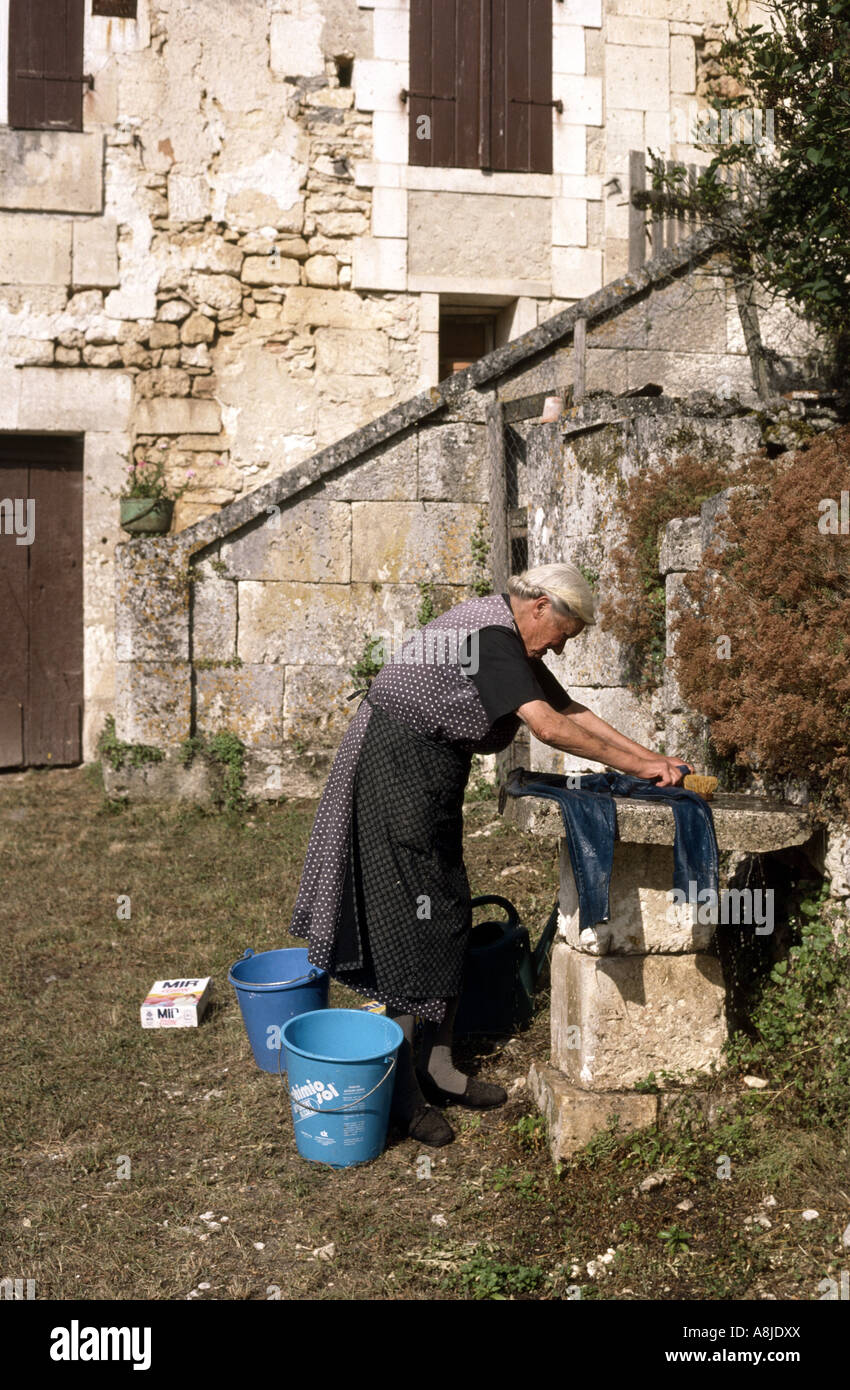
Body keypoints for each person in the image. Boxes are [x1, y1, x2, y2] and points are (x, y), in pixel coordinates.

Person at [289, 562, 692, 1147]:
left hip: (428, 774)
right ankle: (402, 1095)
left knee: (448, 910)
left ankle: (440, 1067)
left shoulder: (506, 635)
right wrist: (639, 767)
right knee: (407, 924)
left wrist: (654, 760)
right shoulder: (491, 637)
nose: (556, 650)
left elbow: (572, 710)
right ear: (538, 608)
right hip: (394, 771)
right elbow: (549, 729)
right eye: (563, 634)